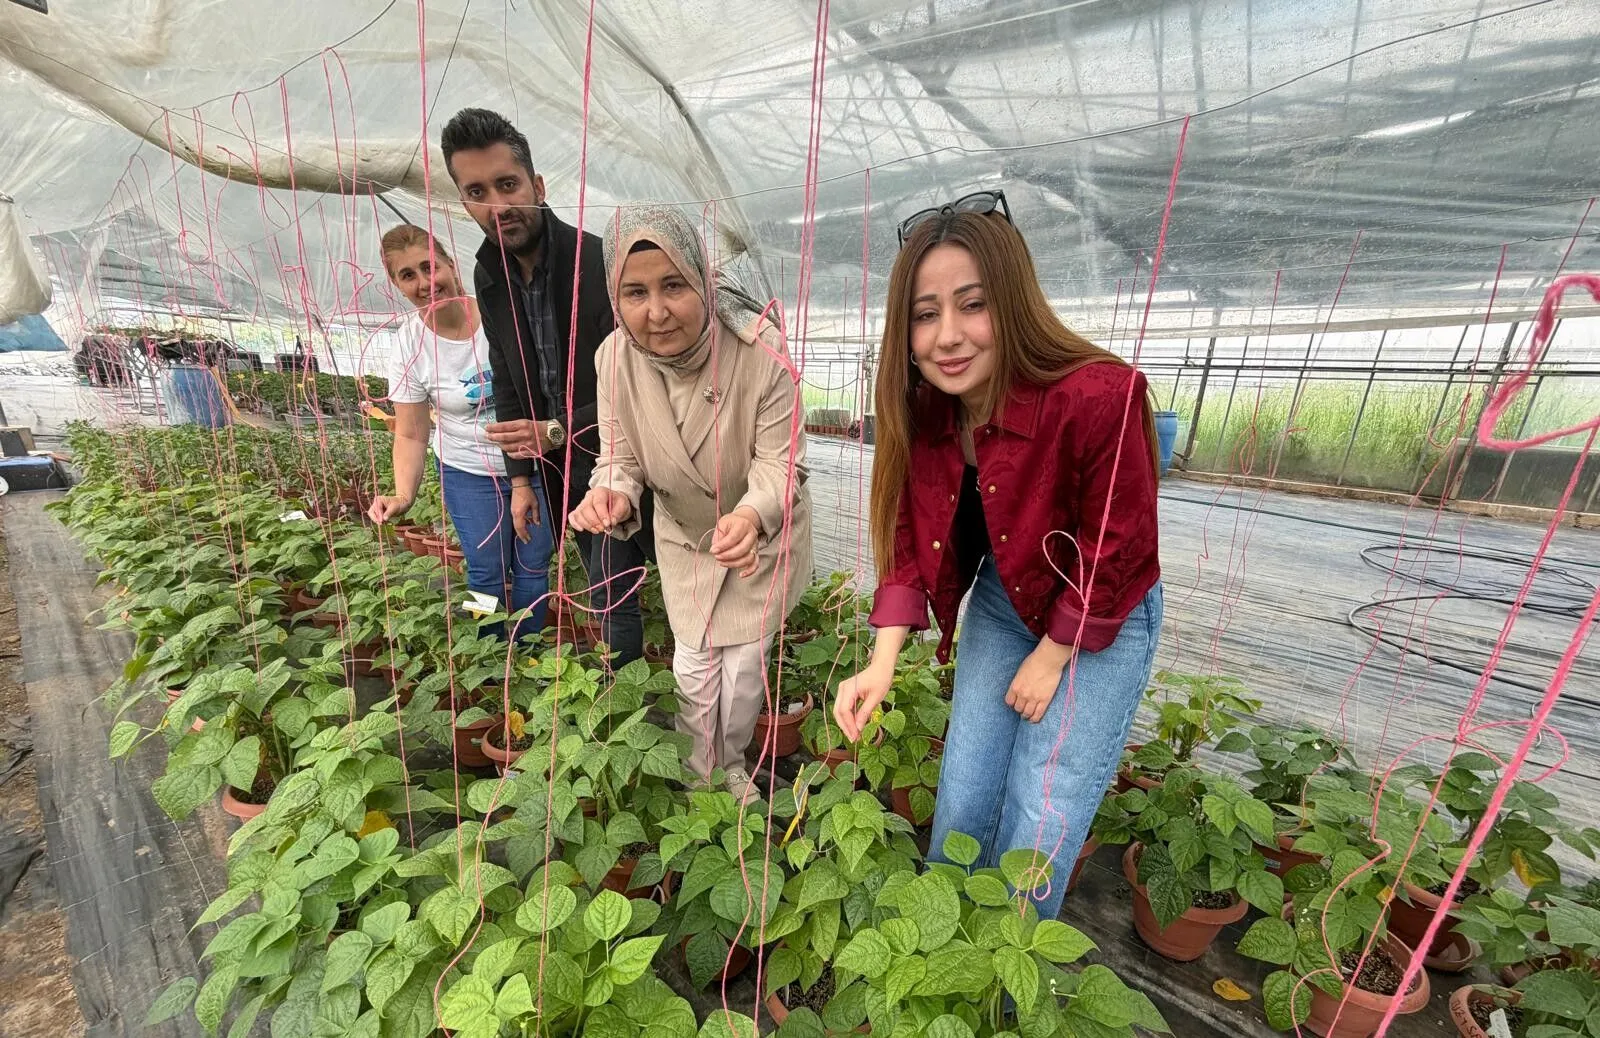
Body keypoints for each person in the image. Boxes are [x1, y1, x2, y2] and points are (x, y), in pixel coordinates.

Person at [833, 191, 1163, 922]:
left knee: (1043, 803)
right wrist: (881, 664)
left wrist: (1053, 654)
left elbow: (1117, 545)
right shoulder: (926, 410)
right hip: (1007, 599)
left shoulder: (1100, 397)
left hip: (1100, 613)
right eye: (925, 314)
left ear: (1011, 302)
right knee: (966, 786)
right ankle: (941, 943)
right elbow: (909, 538)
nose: (948, 336)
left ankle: (1008, 964)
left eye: (972, 305)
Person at [568, 204, 813, 802]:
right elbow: (619, 456)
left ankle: (729, 765)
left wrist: (751, 515)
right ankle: (698, 781)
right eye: (635, 293)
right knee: (695, 664)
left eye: (674, 285)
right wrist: (610, 494)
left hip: (758, 537)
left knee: (745, 666)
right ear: (615, 297)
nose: (657, 311)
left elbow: (781, 463)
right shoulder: (613, 360)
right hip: (685, 535)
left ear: (703, 280)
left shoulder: (759, 348)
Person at [439, 107, 654, 663]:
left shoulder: (601, 262)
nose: (498, 205)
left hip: (626, 457)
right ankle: (495, 657)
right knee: (495, 571)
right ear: (463, 203)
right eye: (477, 192)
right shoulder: (489, 276)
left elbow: (642, 385)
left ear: (537, 185)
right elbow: (508, 378)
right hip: (528, 472)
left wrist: (555, 432)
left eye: (507, 184)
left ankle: (561, 666)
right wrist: (520, 479)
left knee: (612, 589)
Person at [368, 225, 552, 637]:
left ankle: (529, 653)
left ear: (451, 265)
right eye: (408, 275)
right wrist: (403, 495)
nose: (424, 283)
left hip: (534, 464)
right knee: (485, 571)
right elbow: (411, 433)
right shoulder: (409, 347)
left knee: (533, 566)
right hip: (467, 472)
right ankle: (487, 653)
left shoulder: (501, 315)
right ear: (397, 285)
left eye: (429, 267)